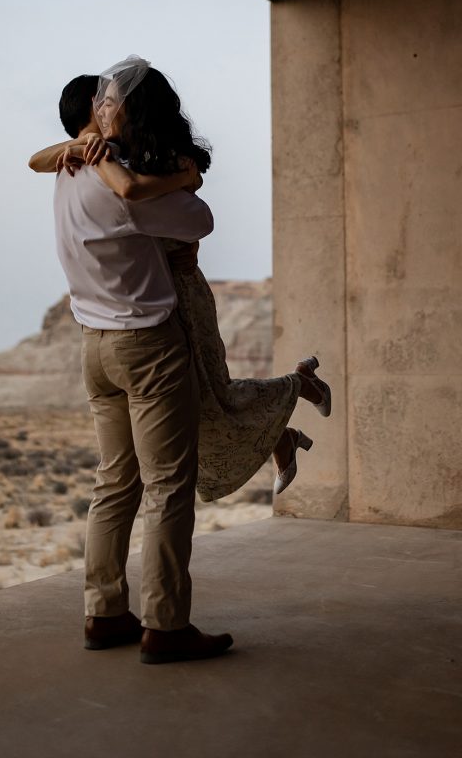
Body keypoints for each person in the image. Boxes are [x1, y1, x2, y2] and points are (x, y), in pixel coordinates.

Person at [30, 57, 332, 507]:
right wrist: (78, 147)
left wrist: (179, 177)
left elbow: (162, 206)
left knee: (214, 396)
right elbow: (39, 160)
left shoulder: (152, 162)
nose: (106, 109)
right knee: (207, 404)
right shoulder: (101, 159)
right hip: (161, 295)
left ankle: (297, 391)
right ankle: (284, 425)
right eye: (101, 103)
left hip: (181, 293)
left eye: (112, 101)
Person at [41, 59, 234, 664]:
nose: (105, 105)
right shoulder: (123, 188)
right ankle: (167, 625)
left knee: (114, 482)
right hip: (148, 347)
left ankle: (104, 613)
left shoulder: (71, 170)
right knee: (169, 486)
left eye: (111, 100)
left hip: (93, 346)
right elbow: (201, 221)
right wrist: (181, 174)